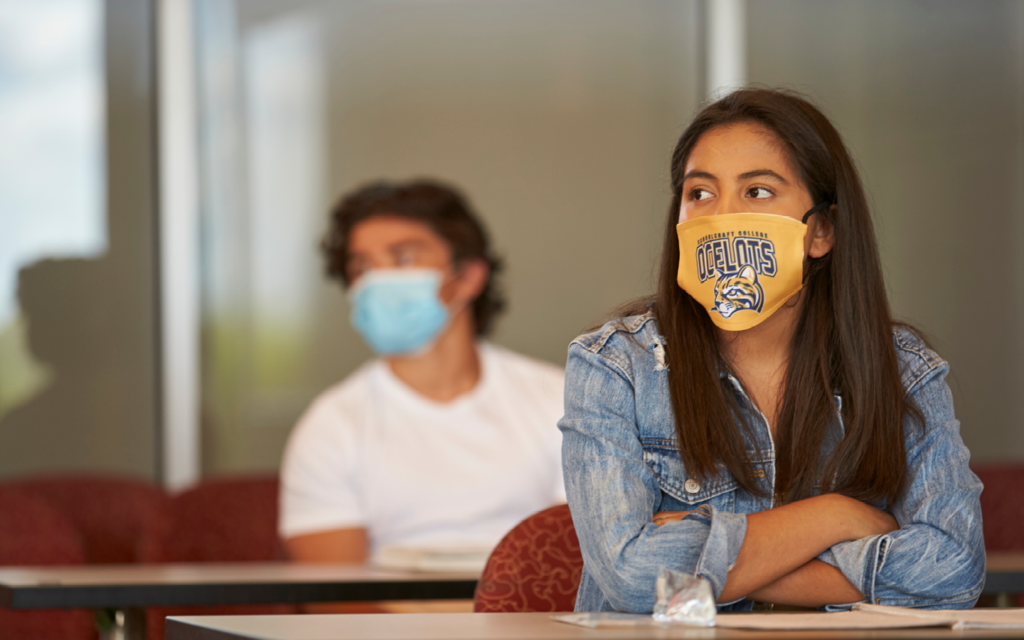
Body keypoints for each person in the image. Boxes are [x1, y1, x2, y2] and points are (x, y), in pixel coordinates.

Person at [559, 89, 985, 613]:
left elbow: (954, 569)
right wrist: (835, 516)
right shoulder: (614, 366)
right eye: (700, 193)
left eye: (758, 191)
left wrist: (708, 566)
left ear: (821, 230)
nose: (722, 215)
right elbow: (629, 579)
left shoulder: (902, 368)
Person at [280, 180, 565, 569]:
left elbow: (582, 564)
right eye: (361, 266)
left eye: (404, 259)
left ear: (468, 277)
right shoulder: (331, 424)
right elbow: (335, 599)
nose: (376, 280)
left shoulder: (560, 399)